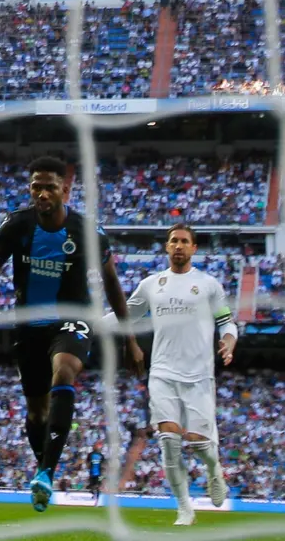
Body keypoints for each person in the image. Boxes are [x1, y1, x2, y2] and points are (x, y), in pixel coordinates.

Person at [0, 155, 143, 512]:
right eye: (35, 186)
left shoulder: (87, 231)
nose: (41, 193)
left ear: (65, 190)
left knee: (65, 369)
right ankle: (44, 470)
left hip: (73, 320)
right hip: (28, 328)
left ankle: (45, 472)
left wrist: (129, 339)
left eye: (49, 187)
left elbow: (112, 283)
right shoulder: (16, 226)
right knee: (37, 413)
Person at [109, 223, 235, 526]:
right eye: (173, 241)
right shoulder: (152, 284)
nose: (178, 246)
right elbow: (124, 316)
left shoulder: (208, 285)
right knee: (168, 439)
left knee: (199, 444)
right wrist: (85, 325)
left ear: (194, 248)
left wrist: (228, 343)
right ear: (166, 247)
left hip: (199, 376)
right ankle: (184, 508)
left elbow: (227, 323)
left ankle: (214, 469)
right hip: (163, 373)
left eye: (184, 242)